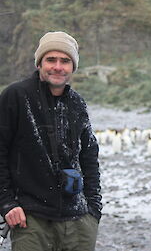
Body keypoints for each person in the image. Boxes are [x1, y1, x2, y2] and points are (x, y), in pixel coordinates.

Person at [0, 31, 102, 251]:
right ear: (39, 63)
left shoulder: (77, 104)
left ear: (72, 67)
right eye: (51, 60)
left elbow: (89, 156)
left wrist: (93, 209)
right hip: (31, 219)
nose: (57, 66)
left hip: (78, 219)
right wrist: (7, 202)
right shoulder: (16, 97)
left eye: (65, 61)